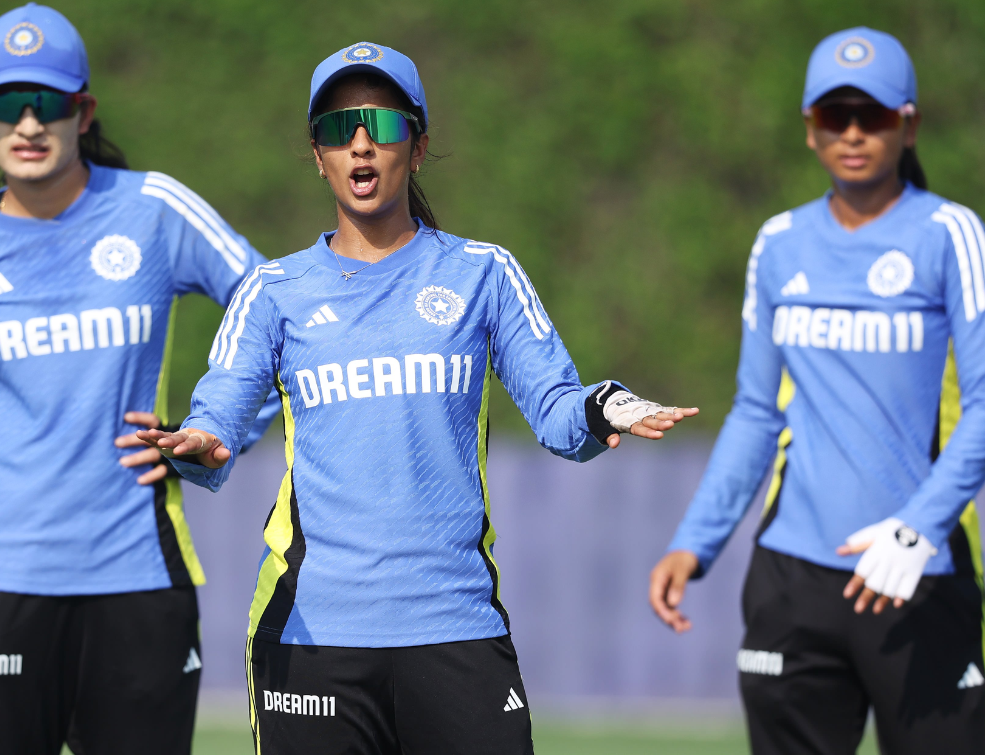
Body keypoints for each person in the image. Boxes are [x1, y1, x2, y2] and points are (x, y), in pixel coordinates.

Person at [136, 41, 699, 755]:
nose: (362, 145)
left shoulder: (483, 274)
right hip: (313, 639)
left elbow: (559, 413)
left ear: (420, 146)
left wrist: (601, 405)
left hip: (456, 627)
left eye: (384, 126)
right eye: (340, 130)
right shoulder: (273, 291)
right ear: (318, 156)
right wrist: (200, 444)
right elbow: (220, 412)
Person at [0, 3, 278, 755]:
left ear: (82, 112)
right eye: (5, 104)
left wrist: (220, 426)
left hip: (138, 581)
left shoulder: (152, 213)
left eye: (47, 101)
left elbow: (282, 311)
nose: (28, 122)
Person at [648, 27, 985, 754]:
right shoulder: (778, 243)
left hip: (917, 575)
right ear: (809, 130)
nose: (852, 133)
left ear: (908, 125)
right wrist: (696, 541)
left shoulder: (952, 236)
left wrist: (918, 529)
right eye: (832, 116)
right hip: (793, 583)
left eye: (872, 116)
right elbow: (755, 413)